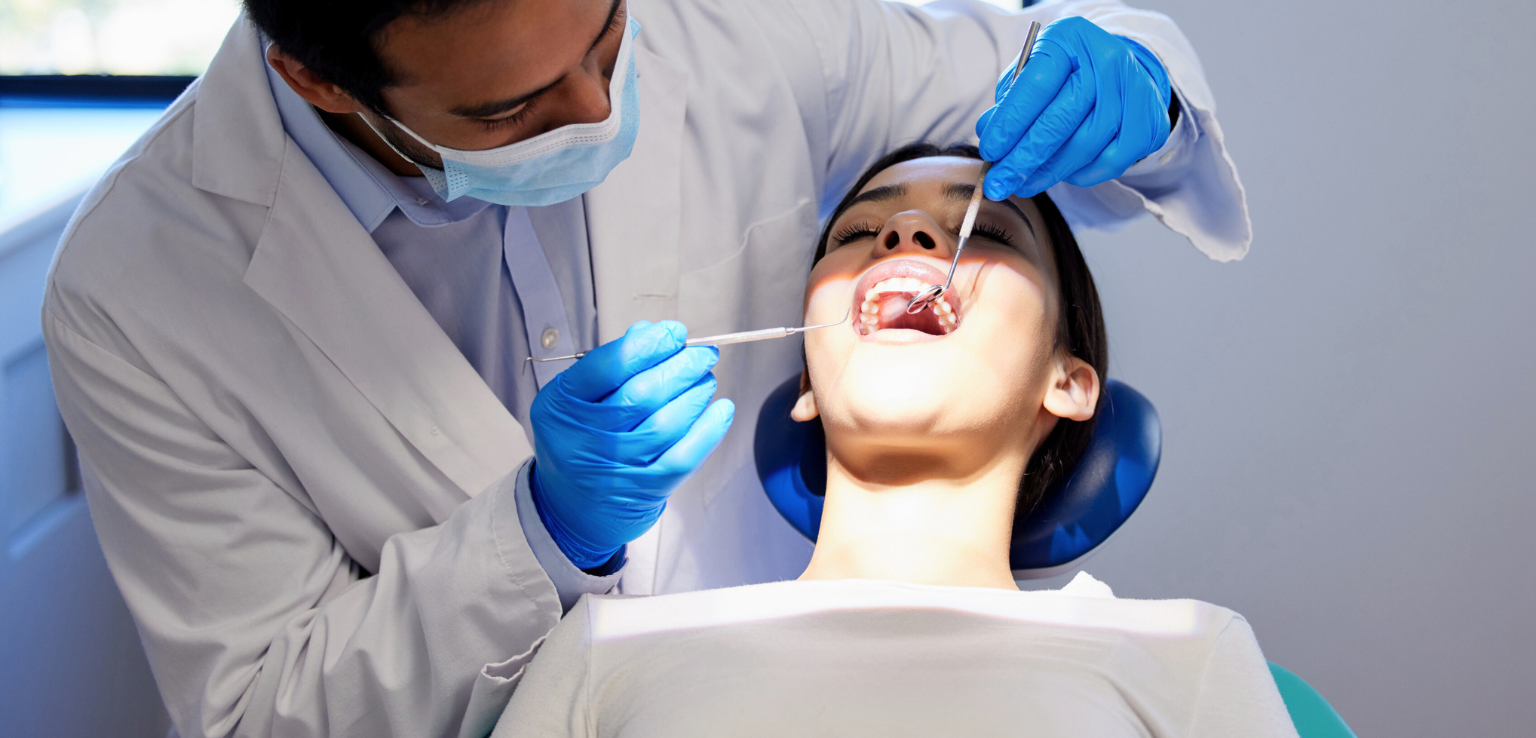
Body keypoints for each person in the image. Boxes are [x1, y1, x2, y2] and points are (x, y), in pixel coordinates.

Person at [42, 0, 1249, 738]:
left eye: (609, 31)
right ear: (317, 79)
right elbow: (265, 713)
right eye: (512, 107)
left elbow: (1052, 58)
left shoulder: (1189, 665)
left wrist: (1133, 84)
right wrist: (536, 530)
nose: (602, 107)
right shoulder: (141, 292)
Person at [493, 146, 1293, 738]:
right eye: (862, 229)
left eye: (989, 233)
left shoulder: (1187, 656)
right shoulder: (607, 650)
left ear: (1068, 382)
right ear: (806, 382)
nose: (904, 232)